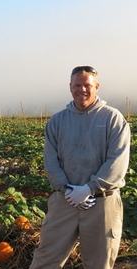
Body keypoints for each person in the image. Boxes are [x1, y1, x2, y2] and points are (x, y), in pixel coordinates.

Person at [30, 66, 131, 269]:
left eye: (87, 85)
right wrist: (67, 189)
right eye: (77, 85)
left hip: (101, 204)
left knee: (99, 263)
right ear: (70, 87)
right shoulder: (58, 121)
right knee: (45, 259)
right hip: (65, 200)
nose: (82, 90)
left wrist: (89, 189)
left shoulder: (112, 119)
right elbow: (51, 161)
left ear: (97, 87)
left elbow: (117, 161)